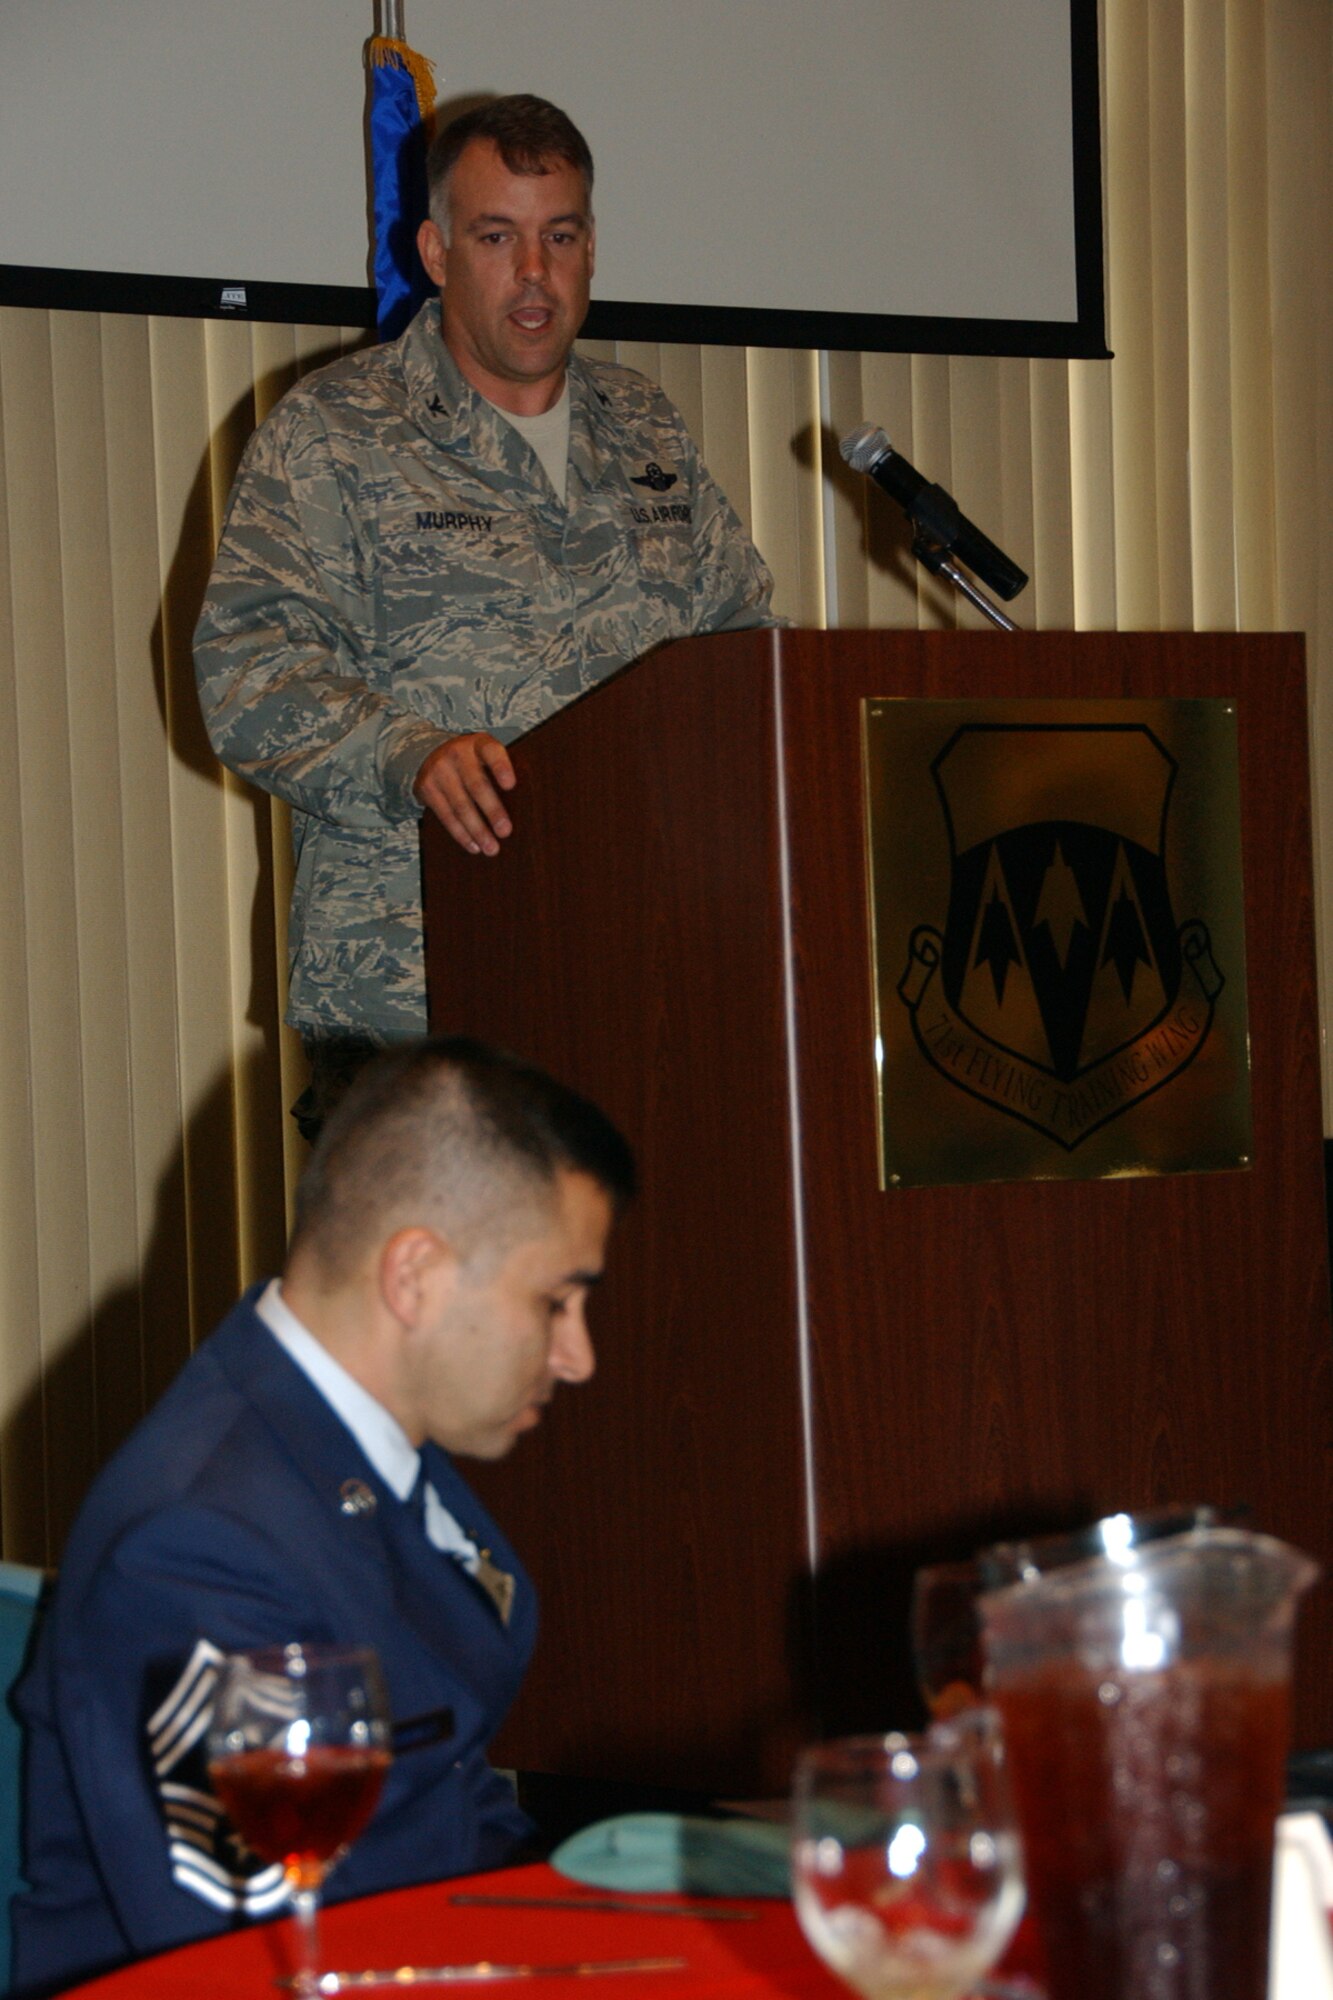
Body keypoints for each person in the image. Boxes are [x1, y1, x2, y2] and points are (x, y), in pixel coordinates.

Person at [194, 94, 776, 1137]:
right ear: (434, 251)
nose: (534, 273)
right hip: (413, 997)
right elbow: (247, 668)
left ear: (592, 249)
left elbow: (743, 658)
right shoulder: (334, 432)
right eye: (497, 238)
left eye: (561, 237)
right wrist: (406, 754)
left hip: (643, 983)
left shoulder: (645, 429)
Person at [10, 1038, 635, 1997]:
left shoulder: (351, 1441)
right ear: (414, 1275)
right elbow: (260, 1960)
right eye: (556, 1302)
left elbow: (446, 1789)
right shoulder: (196, 1545)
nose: (577, 1356)